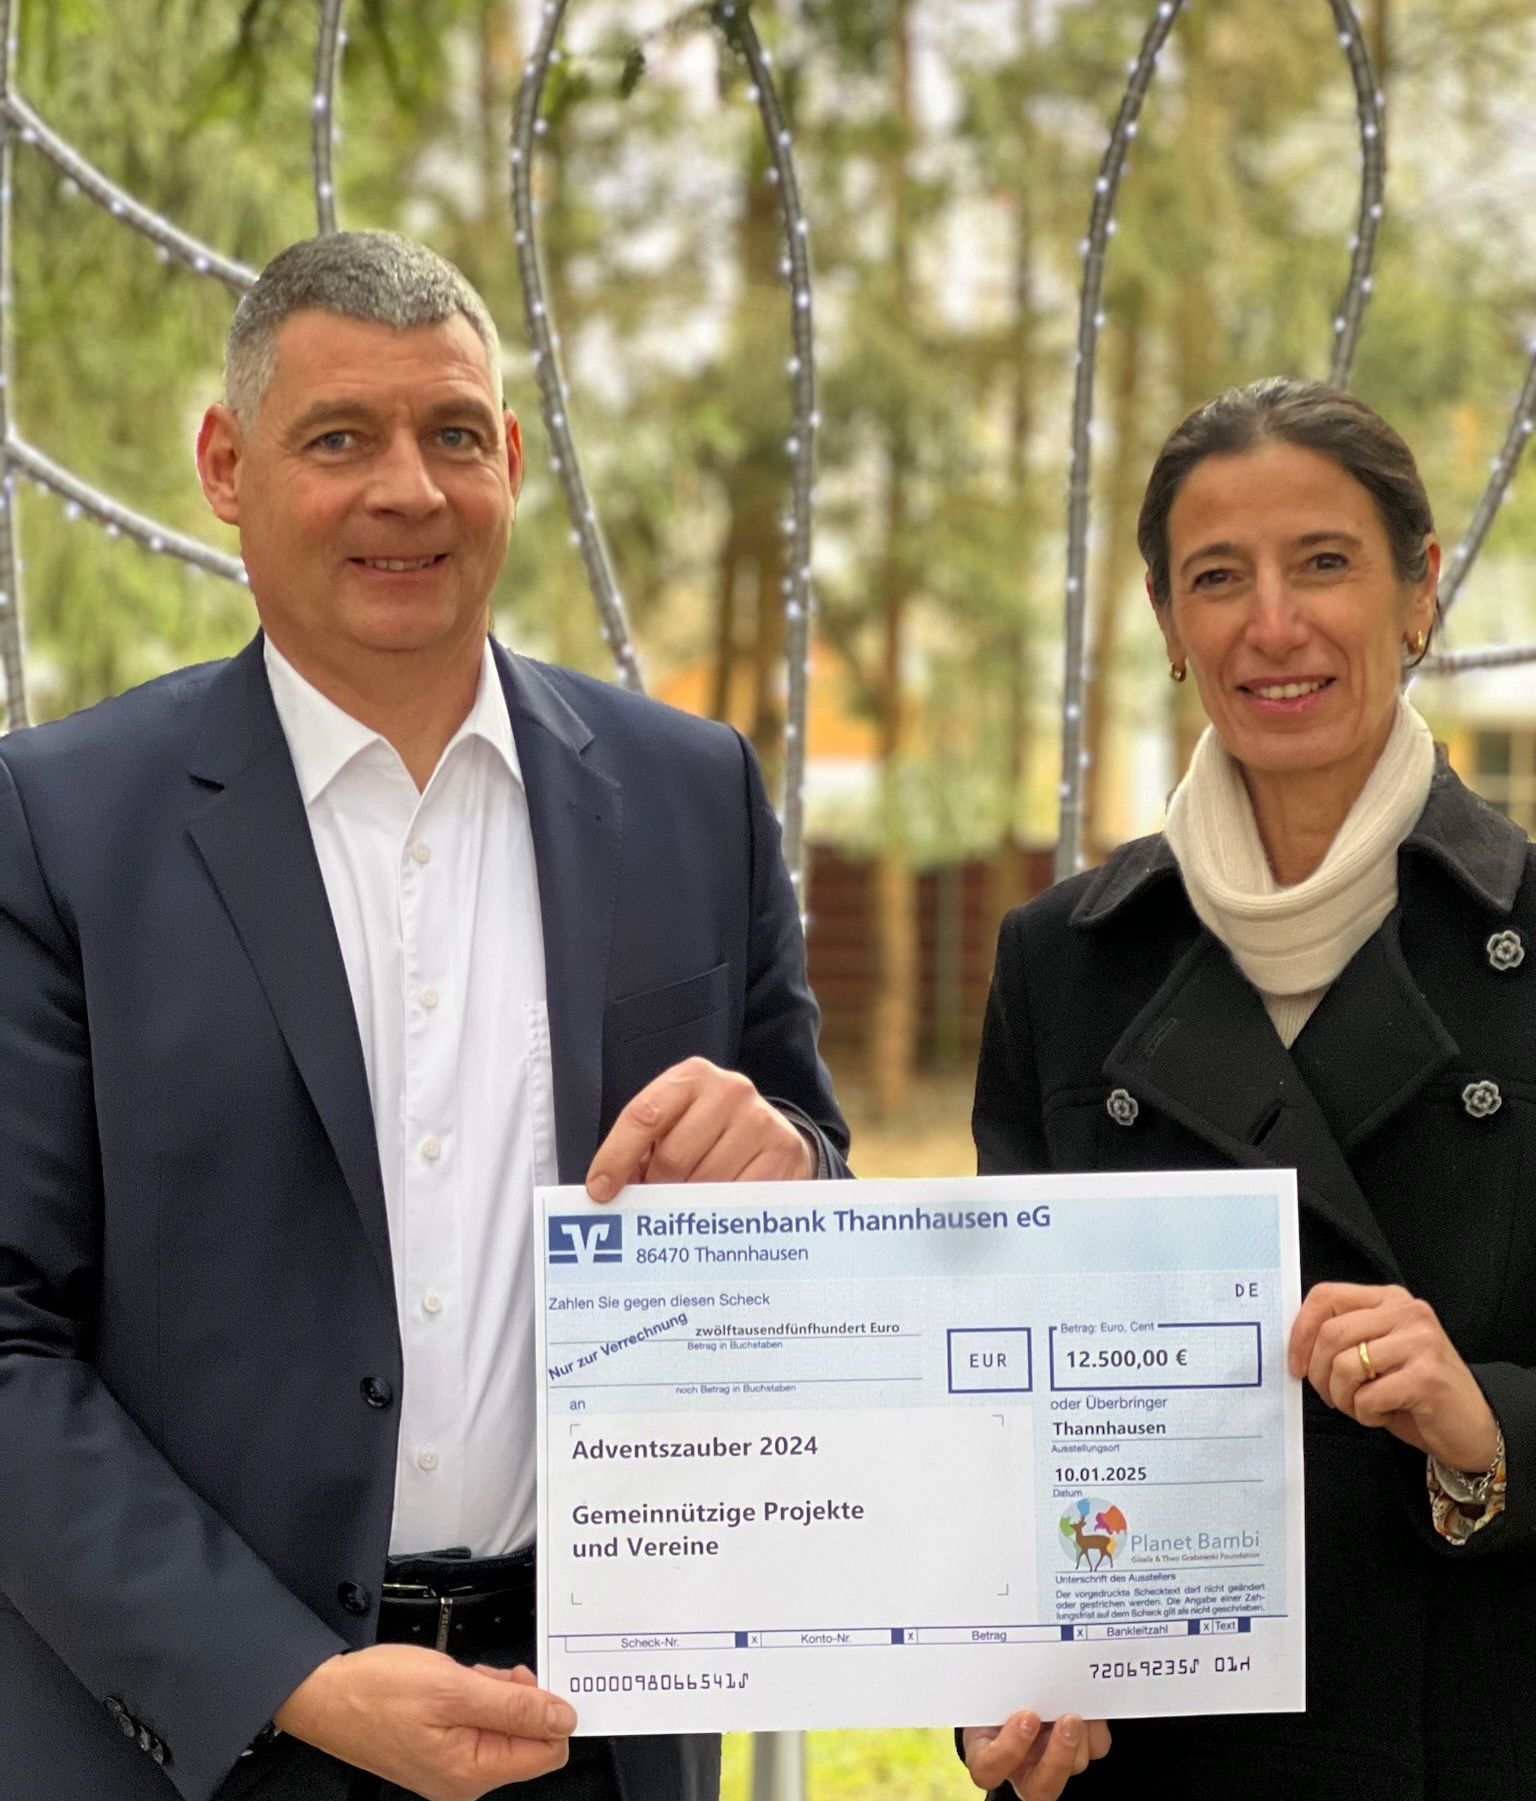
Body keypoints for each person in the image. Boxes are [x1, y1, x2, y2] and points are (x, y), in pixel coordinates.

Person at [0, 231, 848, 1801]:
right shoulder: (58, 825)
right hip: (213, 1743)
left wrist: (788, 1158)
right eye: (340, 439)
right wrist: (288, 1678)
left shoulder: (692, 795)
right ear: (226, 466)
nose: (409, 489)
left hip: (598, 1735)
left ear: (511, 460)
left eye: (453, 434)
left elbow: (817, 1186)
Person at [966, 376, 1536, 1800]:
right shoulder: (1061, 961)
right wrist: (995, 1682)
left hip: (1475, 1728)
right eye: (1218, 577)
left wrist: (1487, 1429)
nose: (1272, 625)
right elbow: (999, 1415)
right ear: (1169, 624)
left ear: (1420, 589)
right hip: (1166, 1759)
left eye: (1323, 563)